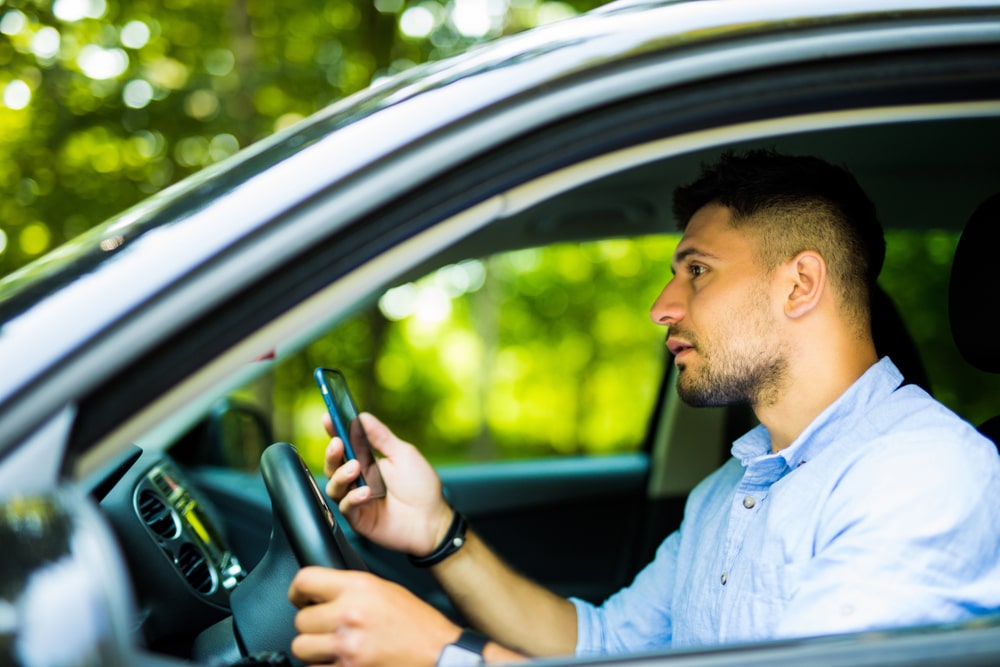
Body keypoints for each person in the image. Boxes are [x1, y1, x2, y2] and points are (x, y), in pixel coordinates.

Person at [287, 150, 1000, 667]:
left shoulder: (927, 472)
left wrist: (442, 653)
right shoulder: (728, 492)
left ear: (799, 284)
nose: (663, 307)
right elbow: (594, 645)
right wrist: (438, 532)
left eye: (697, 271)